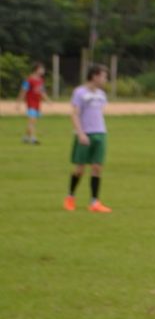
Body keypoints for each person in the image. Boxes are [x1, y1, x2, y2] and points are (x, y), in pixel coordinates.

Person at [64, 64, 112, 213]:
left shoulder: (102, 94)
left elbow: (99, 113)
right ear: (95, 76)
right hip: (85, 134)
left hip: (100, 133)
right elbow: (74, 114)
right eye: (104, 76)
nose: (105, 79)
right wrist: (81, 133)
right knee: (80, 169)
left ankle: (94, 202)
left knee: (97, 168)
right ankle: (70, 197)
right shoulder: (79, 92)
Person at [18, 62, 49, 144]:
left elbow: (42, 91)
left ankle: (25, 137)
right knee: (32, 120)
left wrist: (47, 100)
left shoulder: (41, 80)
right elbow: (23, 91)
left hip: (37, 103)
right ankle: (33, 138)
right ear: (36, 70)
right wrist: (18, 103)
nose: (43, 71)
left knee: (33, 121)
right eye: (41, 69)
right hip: (30, 103)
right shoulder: (28, 80)